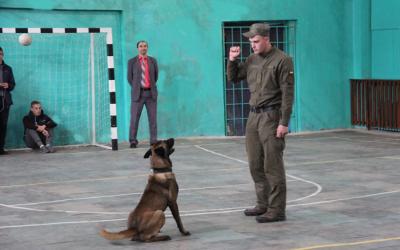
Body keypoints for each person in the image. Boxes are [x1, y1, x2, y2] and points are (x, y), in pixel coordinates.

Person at [227, 23, 294, 223]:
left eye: (256, 41)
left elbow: (287, 95)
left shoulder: (283, 60)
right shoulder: (251, 59)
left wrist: (284, 122)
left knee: (272, 165)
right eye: (250, 42)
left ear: (266, 38)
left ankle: (276, 210)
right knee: (255, 163)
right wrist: (232, 60)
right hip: (253, 117)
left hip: (272, 117)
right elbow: (233, 78)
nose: (253, 45)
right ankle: (263, 204)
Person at [127, 40, 159, 148]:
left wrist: (149, 87)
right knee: (134, 119)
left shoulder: (153, 61)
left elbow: (156, 76)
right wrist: (137, 88)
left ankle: (153, 140)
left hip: (151, 94)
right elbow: (129, 78)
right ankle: (133, 141)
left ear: (147, 48)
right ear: (138, 48)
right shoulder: (132, 62)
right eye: (141, 46)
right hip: (138, 95)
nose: (143, 48)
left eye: (145, 46)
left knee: (153, 119)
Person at [0, 47, 16, 155]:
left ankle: (1, 148)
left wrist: (8, 85)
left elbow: (13, 84)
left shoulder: (8, 68)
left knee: (3, 125)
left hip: (5, 101)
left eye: (1, 53)